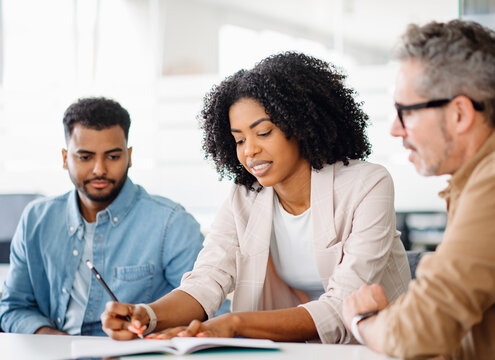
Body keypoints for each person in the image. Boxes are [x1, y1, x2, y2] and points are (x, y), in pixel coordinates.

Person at [101, 52, 410, 343]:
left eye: (263, 133)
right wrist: (148, 315)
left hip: (378, 347)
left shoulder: (367, 184)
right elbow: (207, 281)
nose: (249, 151)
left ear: (300, 126)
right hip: (290, 351)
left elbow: (343, 305)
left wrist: (235, 325)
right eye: (239, 139)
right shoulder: (245, 198)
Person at [342, 20, 495, 359]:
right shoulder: (490, 173)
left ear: (460, 113)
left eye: (405, 112)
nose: (394, 130)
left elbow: (418, 332)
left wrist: (363, 321)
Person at [0, 97, 228, 336]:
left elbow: (213, 312)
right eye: (85, 157)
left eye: (112, 156)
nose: (99, 169)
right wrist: (53, 340)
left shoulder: (171, 223)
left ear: (129, 156)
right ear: (66, 158)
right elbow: (14, 307)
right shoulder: (36, 219)